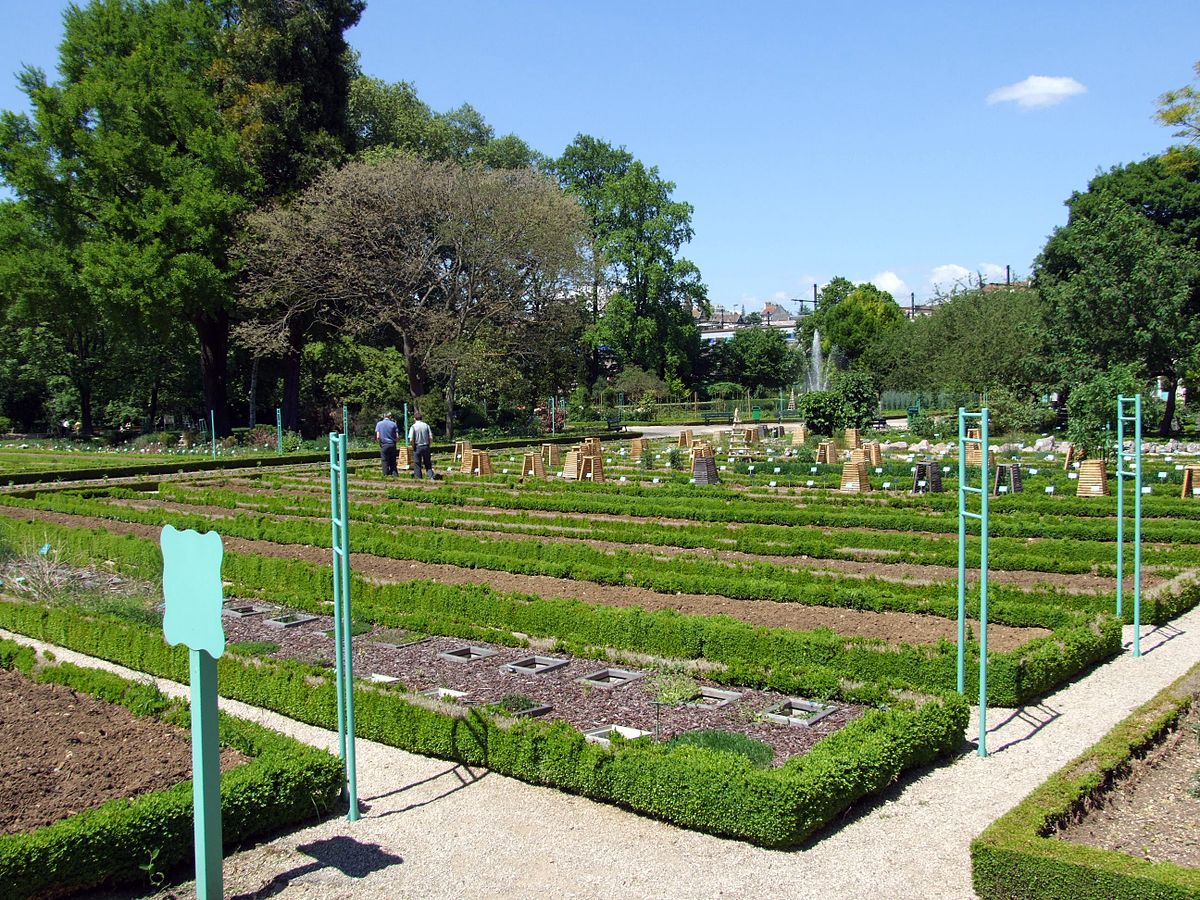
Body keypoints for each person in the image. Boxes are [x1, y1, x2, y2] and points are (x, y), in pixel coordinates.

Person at [408, 411, 434, 480]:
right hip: (426, 446)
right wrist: (429, 445)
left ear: (414, 419)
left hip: (417, 446)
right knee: (428, 463)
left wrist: (413, 446)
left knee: (417, 464)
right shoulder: (426, 425)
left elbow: (411, 439)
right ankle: (431, 476)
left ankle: (418, 478)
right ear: (421, 418)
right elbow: (431, 437)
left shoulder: (413, 427)